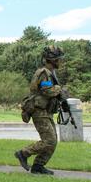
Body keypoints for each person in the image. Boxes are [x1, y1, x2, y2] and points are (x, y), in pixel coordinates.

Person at [15, 46, 67, 175]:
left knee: (52, 142)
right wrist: (60, 90)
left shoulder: (51, 73)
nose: (61, 61)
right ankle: (23, 153)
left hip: (46, 111)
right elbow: (47, 91)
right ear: (52, 59)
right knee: (49, 141)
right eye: (59, 59)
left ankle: (38, 166)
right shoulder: (44, 73)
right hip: (39, 111)